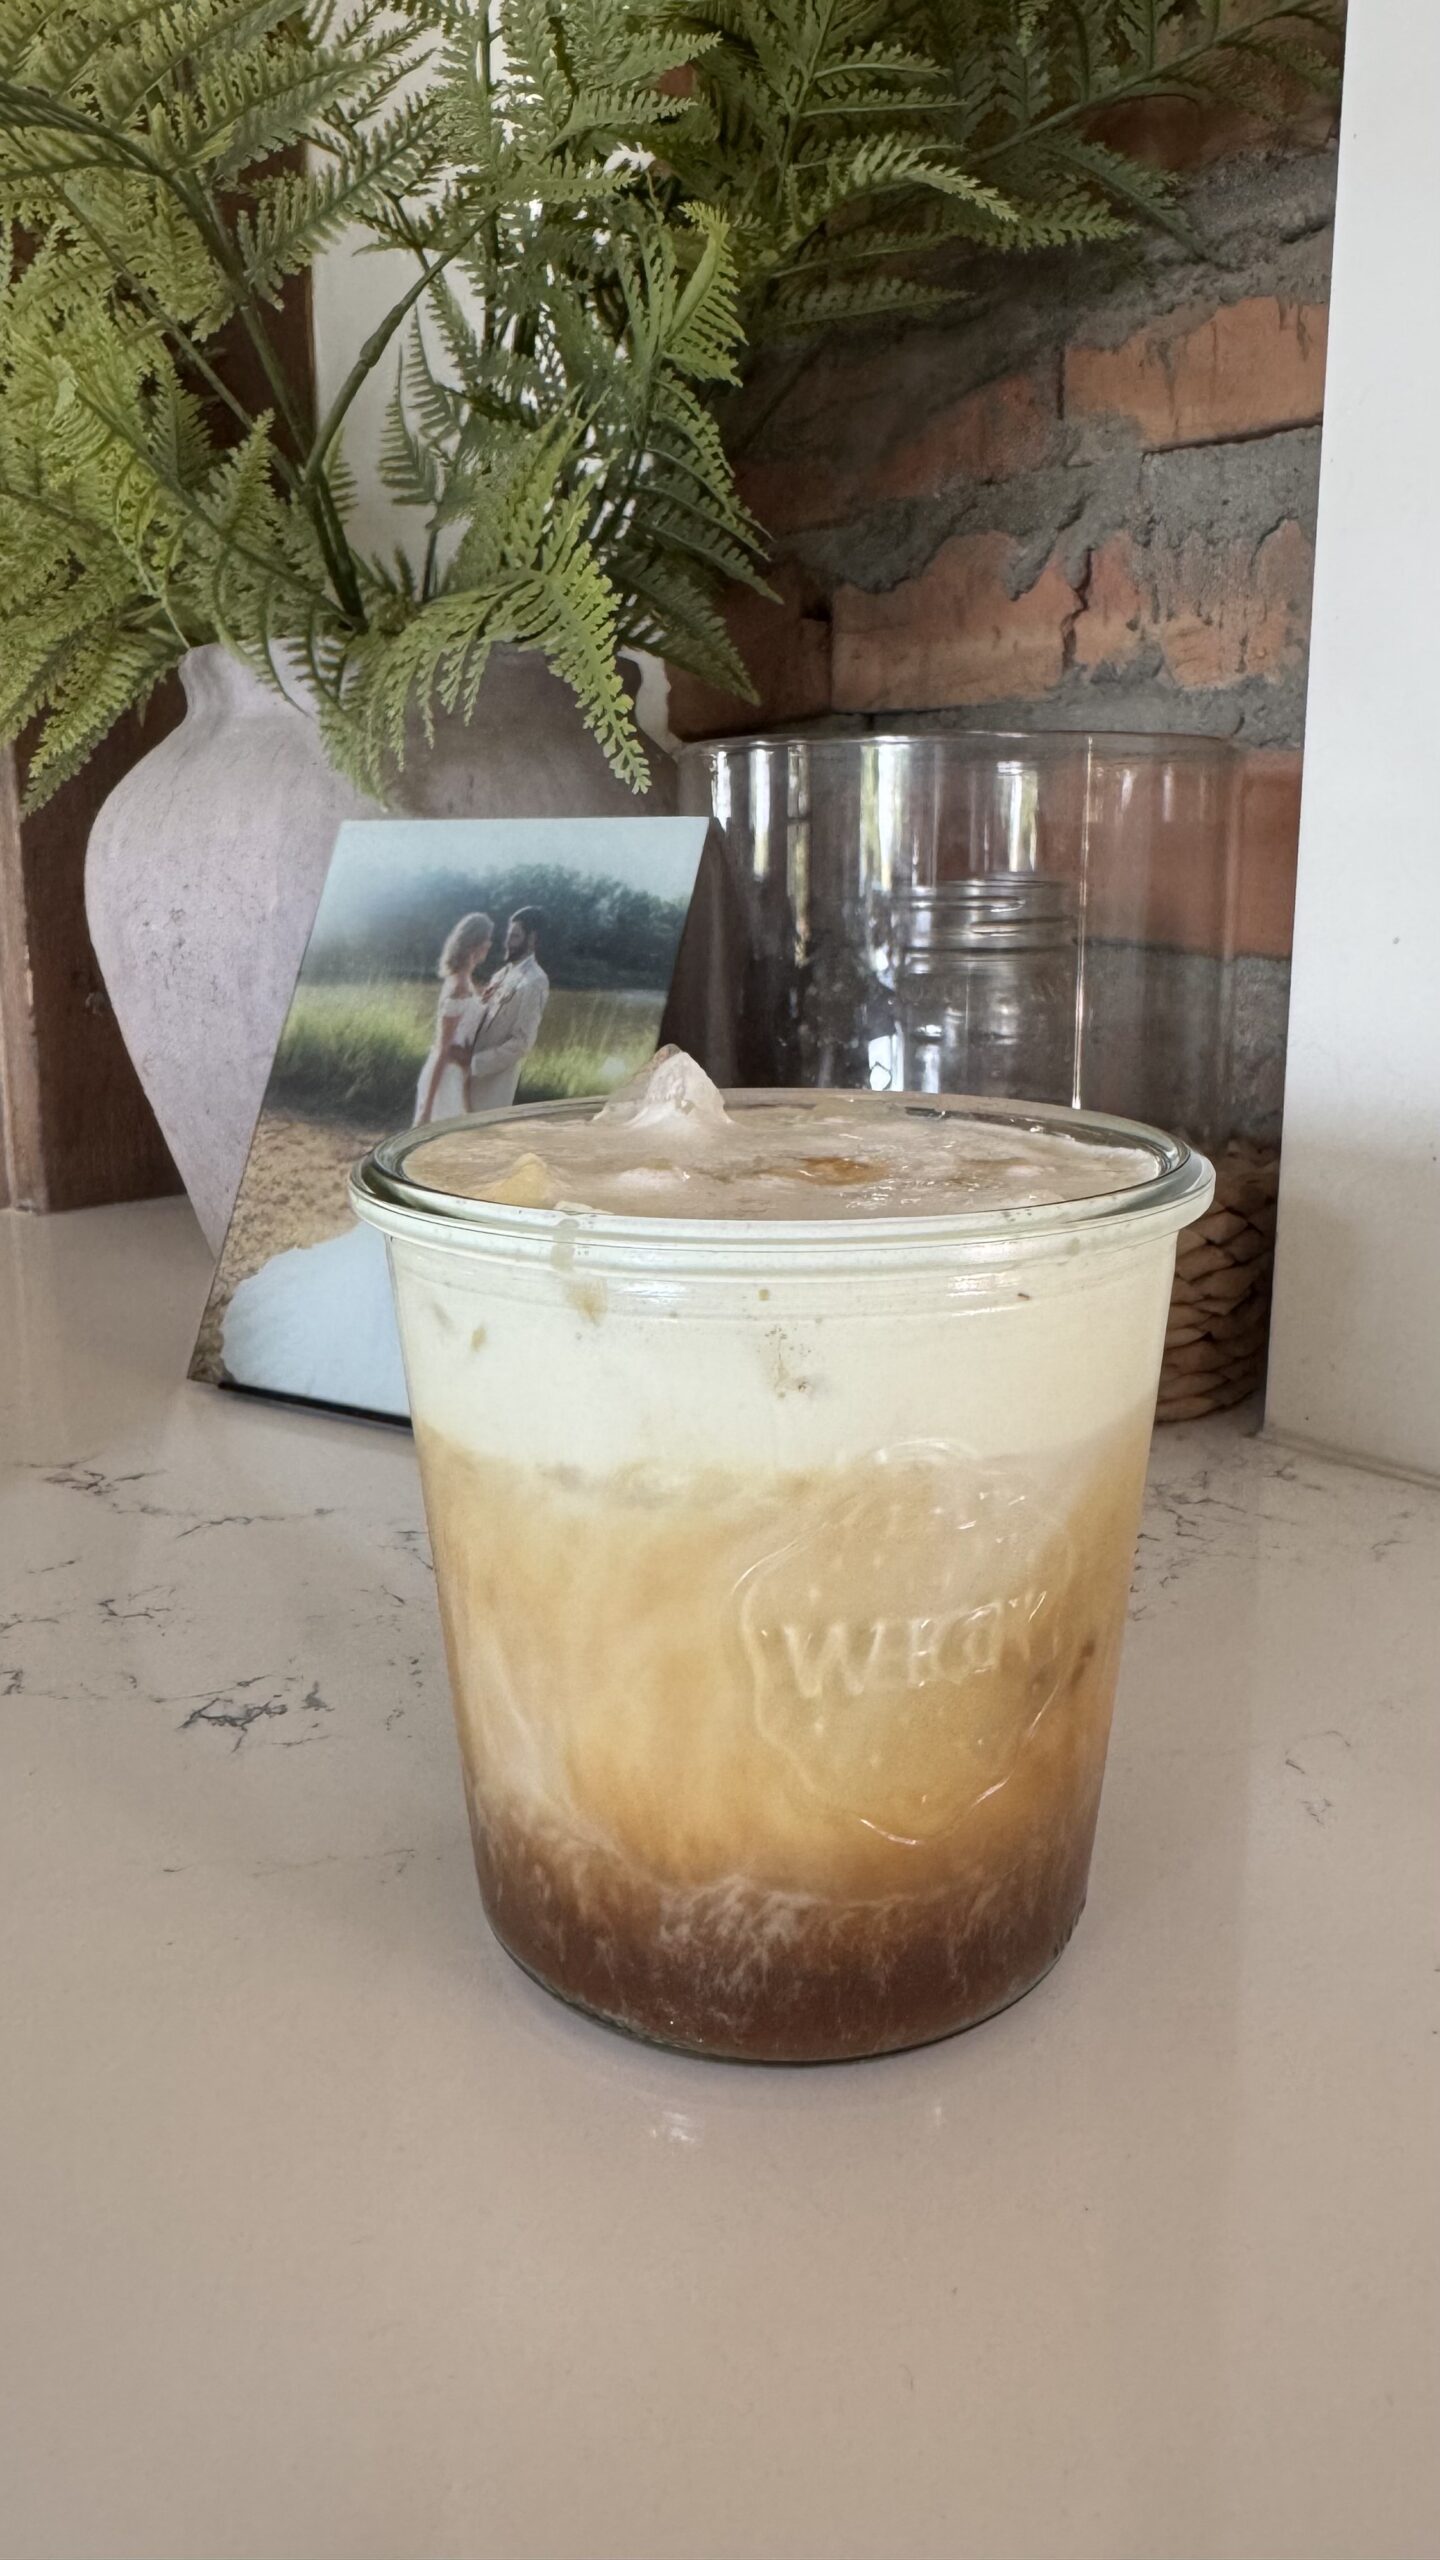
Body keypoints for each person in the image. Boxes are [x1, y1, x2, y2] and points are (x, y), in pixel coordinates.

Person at [452, 907, 550, 1114]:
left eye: (515, 936)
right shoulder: (501, 975)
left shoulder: (535, 981)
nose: (507, 942)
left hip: (491, 1089)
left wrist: (474, 1065)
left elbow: (521, 1043)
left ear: (532, 939)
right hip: (466, 1083)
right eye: (508, 935)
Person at [414, 911, 494, 1125]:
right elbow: (443, 1048)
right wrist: (426, 1109)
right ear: (475, 943)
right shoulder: (459, 985)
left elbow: (466, 1017)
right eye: (487, 938)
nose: (490, 944)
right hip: (445, 1079)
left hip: (456, 1077)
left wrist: (482, 1000)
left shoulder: (466, 981)